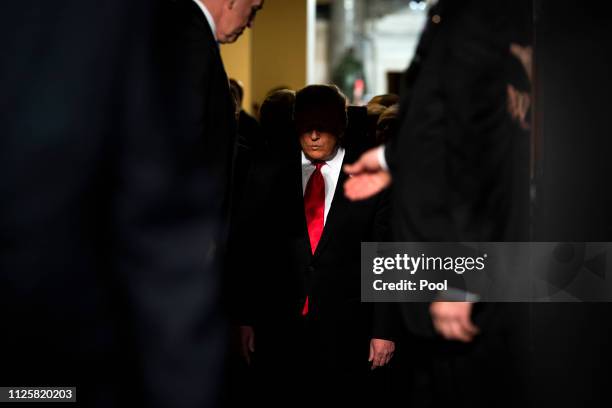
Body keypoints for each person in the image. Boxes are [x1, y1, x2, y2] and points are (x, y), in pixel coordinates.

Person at [344, 1, 531, 407]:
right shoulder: (463, 17)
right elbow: (439, 118)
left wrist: (461, 278)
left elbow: (476, 147)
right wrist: (392, 160)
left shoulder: (477, 19)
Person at [232, 85, 396, 406]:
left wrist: (384, 329)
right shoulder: (268, 171)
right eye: (307, 126)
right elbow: (249, 250)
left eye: (323, 126)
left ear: (342, 125)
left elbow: (385, 255)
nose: (315, 136)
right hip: (278, 330)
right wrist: (245, 318)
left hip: (347, 332)